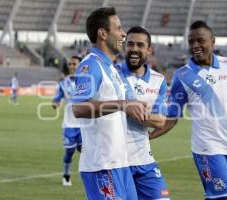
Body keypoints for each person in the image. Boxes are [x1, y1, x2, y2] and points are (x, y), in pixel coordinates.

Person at [150, 20, 227, 200]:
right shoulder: (182, 76)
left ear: (213, 41)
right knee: (223, 198)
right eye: (191, 41)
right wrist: (148, 136)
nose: (195, 45)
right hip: (206, 149)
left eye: (200, 40)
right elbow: (171, 118)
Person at [71, 7, 148, 200]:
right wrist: (122, 104)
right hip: (101, 166)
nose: (123, 34)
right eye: (119, 28)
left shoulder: (112, 69)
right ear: (102, 33)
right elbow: (78, 108)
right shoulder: (90, 65)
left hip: (120, 164)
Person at [115, 26, 170, 199]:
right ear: (125, 47)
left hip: (144, 160)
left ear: (149, 50)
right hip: (116, 161)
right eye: (130, 44)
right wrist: (125, 107)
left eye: (140, 45)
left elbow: (161, 121)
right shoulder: (112, 73)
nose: (134, 49)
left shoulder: (158, 80)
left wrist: (133, 111)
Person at [52, 55, 82, 186]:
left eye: (74, 64)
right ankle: (66, 175)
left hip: (85, 125)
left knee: (87, 151)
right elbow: (57, 98)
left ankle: (91, 177)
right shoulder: (63, 84)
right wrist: (55, 103)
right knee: (69, 152)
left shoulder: (87, 81)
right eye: (70, 64)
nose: (71, 66)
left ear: (80, 65)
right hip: (69, 124)